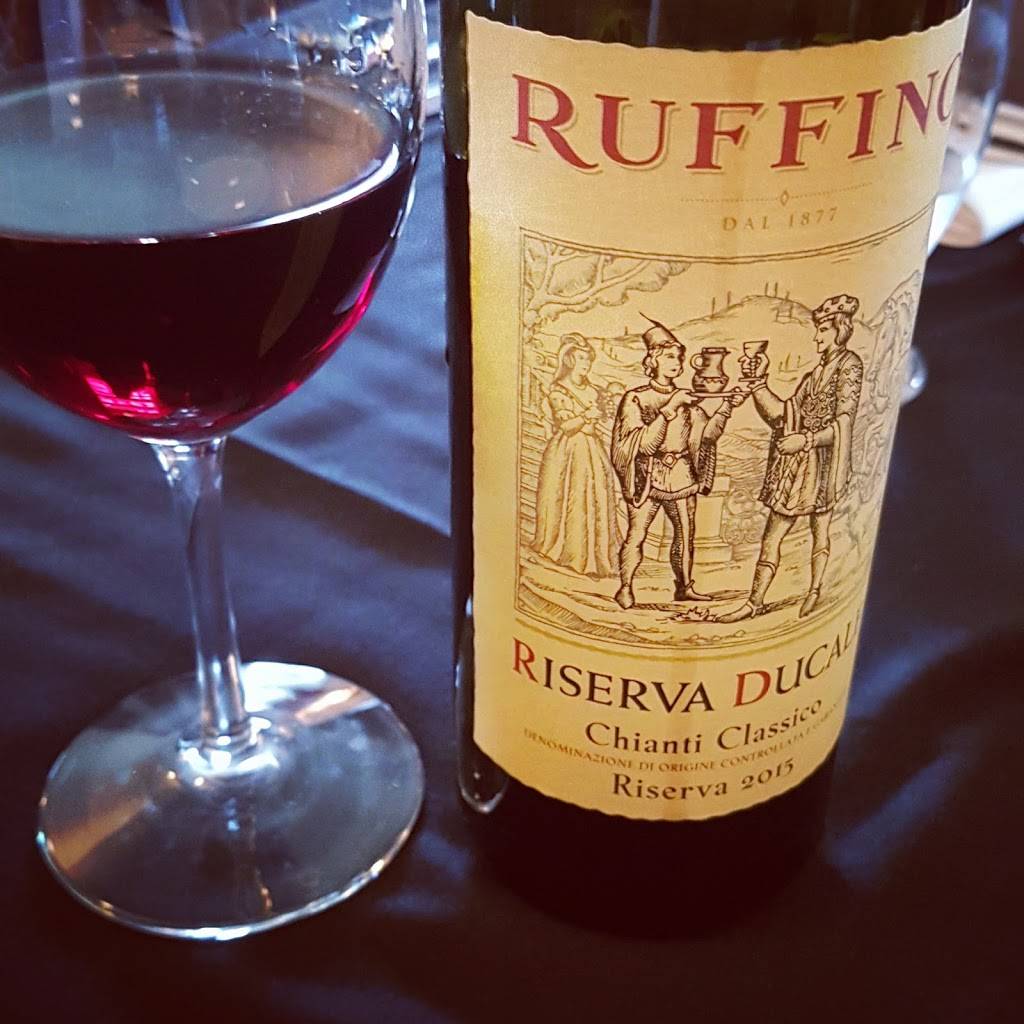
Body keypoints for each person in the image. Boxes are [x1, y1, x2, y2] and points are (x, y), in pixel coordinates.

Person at [719, 294, 864, 622]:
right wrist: (757, 384)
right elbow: (784, 416)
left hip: (824, 466)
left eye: (823, 330)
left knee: (820, 531)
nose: (817, 337)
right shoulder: (813, 375)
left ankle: (814, 590)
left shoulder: (849, 365)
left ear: (839, 329)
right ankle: (754, 601)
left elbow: (844, 421)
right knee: (773, 534)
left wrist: (806, 440)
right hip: (798, 468)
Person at [610, 318, 741, 609]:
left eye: (679, 358)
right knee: (637, 534)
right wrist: (670, 409)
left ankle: (684, 587)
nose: (677, 363)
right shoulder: (636, 399)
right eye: (670, 357)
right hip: (647, 476)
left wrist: (727, 406)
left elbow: (706, 437)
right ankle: (626, 587)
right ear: (653, 360)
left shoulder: (686, 400)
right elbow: (642, 444)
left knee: (685, 534)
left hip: (681, 476)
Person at [531, 334, 622, 577]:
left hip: (592, 449)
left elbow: (602, 419)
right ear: (570, 360)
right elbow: (566, 426)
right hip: (568, 451)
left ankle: (596, 554)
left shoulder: (593, 390)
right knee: (573, 497)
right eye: (582, 359)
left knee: (595, 495)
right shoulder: (559, 390)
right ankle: (572, 552)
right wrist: (586, 416)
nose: (586, 364)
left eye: (588, 359)